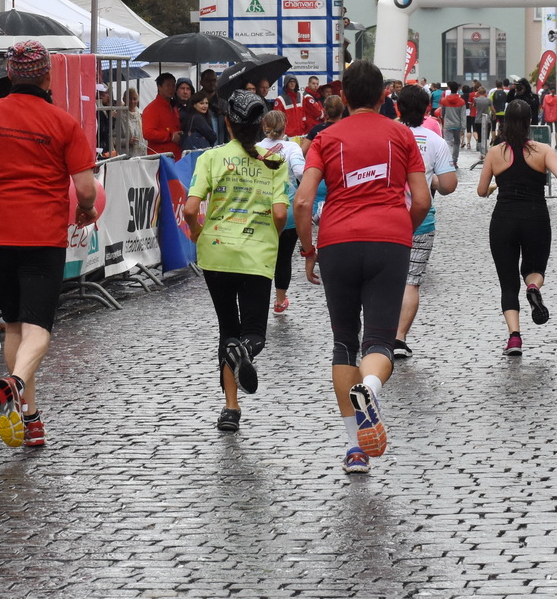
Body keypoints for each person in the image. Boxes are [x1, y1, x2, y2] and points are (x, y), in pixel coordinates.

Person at [0, 41, 97, 450]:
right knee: (39, 327)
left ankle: (30, 418)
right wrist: (87, 210)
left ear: (10, 75)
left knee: (13, 323)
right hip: (43, 234)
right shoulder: (63, 122)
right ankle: (14, 382)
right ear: (47, 76)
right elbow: (86, 189)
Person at [295, 59, 430, 474]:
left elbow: (302, 201)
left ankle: (355, 449)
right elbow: (422, 201)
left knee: (343, 342)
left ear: (345, 97)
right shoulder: (402, 134)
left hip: (337, 240)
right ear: (382, 95)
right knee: (379, 342)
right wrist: (398, 231)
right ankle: (370, 388)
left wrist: (308, 250)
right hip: (389, 238)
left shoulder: (325, 137)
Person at [183, 91, 290, 433]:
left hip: (216, 251)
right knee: (254, 334)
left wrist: (197, 231)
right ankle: (242, 351)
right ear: (260, 126)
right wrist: (269, 238)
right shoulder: (274, 161)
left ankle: (231, 409)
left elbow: (189, 209)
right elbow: (279, 213)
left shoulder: (210, 158)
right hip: (256, 253)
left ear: (227, 123)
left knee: (227, 330)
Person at [477, 99, 557, 358]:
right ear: (531, 121)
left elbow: (481, 191)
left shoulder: (496, 152)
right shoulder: (542, 150)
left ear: (505, 121)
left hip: (503, 220)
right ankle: (533, 288)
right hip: (536, 217)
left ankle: (514, 338)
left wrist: (500, 186)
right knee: (534, 269)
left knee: (508, 284)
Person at [392, 85, 458, 360]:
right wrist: (432, 180)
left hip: (386, 218)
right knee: (411, 281)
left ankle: (376, 334)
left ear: (398, 108)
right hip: (421, 219)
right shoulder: (435, 141)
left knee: (384, 280)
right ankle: (399, 337)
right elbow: (449, 186)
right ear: (428, 110)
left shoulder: (388, 135)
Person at [256, 109, 307, 319]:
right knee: (284, 257)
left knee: (260, 257)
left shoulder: (254, 148)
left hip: (259, 210)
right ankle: (279, 301)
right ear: (285, 126)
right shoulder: (292, 147)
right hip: (287, 210)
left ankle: (258, 298)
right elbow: (301, 172)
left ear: (263, 126)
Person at [142, 72, 183, 158]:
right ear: (159, 87)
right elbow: (148, 133)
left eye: (173, 85)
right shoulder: (151, 109)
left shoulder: (173, 107)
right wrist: (170, 136)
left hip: (175, 156)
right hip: (161, 158)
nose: (171, 88)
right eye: (168, 85)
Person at [438, 82, 467, 166]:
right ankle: (454, 160)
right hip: (457, 125)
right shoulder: (461, 101)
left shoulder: (445, 101)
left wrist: (444, 120)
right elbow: (463, 116)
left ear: (449, 88)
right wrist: (463, 128)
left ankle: (448, 160)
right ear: (457, 89)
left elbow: (442, 113)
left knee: (448, 142)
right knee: (457, 143)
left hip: (447, 124)